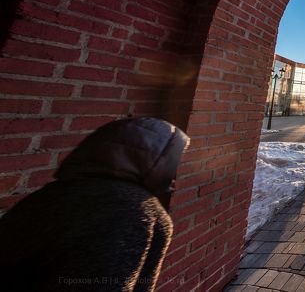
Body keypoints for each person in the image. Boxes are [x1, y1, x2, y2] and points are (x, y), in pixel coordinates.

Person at [0, 117, 190, 291]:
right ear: (151, 161)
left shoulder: (52, 193)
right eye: (172, 162)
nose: (174, 176)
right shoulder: (130, 209)